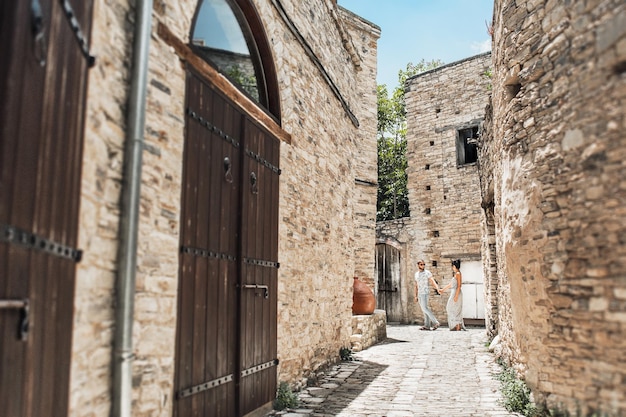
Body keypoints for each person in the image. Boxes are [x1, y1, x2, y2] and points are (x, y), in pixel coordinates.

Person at [413, 260, 441, 330]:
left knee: (425, 308)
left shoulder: (427, 273)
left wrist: (437, 288)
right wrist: (415, 296)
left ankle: (435, 322)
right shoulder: (416, 274)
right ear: (418, 265)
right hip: (419, 293)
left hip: (425, 293)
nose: (423, 266)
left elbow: (432, 281)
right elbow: (416, 285)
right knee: (424, 309)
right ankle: (427, 325)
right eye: (421, 264)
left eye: (424, 264)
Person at [440, 259, 466, 331]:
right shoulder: (455, 274)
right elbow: (450, 284)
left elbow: (459, 285)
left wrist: (456, 295)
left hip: (456, 292)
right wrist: (443, 289)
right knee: (451, 308)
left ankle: (457, 325)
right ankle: (456, 324)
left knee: (454, 308)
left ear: (454, 266)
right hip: (453, 292)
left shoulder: (458, 273)